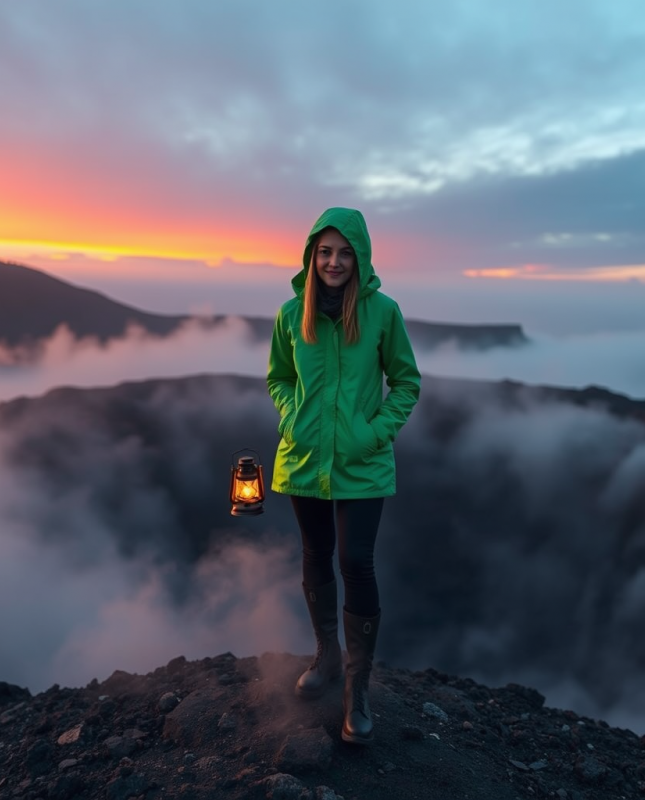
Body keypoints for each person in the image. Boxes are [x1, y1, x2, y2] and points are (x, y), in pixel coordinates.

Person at [267, 207, 421, 745]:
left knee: (356, 560)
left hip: (363, 462)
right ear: (312, 256)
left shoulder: (383, 313)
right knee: (315, 554)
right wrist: (293, 418)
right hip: (304, 459)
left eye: (345, 252)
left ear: (361, 256)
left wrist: (373, 434)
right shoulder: (291, 314)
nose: (334, 262)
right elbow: (279, 378)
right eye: (325, 251)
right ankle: (327, 658)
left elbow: (406, 383)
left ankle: (358, 690)